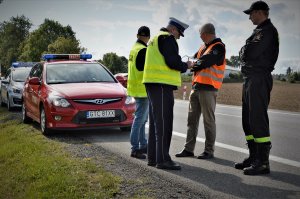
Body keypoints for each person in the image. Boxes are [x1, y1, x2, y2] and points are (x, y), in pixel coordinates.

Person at [142, 17, 194, 170]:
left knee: (155, 124)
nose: (178, 37)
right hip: (162, 85)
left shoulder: (154, 39)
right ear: (173, 30)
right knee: (164, 123)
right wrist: (187, 65)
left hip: (152, 84)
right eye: (179, 34)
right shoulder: (167, 38)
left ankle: (153, 157)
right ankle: (163, 160)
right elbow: (172, 61)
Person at [235, 1, 279, 175]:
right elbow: (244, 53)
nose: (249, 17)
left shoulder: (267, 31)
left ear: (260, 12)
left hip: (259, 78)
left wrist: (244, 51)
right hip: (250, 79)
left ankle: (263, 162)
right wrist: (244, 51)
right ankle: (254, 156)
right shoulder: (258, 31)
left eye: (251, 13)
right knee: (248, 119)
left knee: (257, 118)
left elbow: (249, 53)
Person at [175, 23, 226, 160]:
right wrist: (193, 63)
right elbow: (194, 60)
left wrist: (194, 64)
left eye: (200, 34)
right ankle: (188, 149)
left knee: (208, 121)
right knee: (192, 120)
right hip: (196, 87)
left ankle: (209, 151)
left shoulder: (218, 47)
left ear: (205, 33)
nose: (199, 36)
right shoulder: (203, 47)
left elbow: (204, 62)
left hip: (209, 89)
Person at [127, 26, 151, 159]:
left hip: (136, 88)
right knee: (140, 119)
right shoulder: (144, 50)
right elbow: (145, 70)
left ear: (137, 35)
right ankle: (135, 148)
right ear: (148, 37)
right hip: (142, 89)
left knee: (141, 119)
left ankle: (143, 145)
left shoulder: (134, 49)